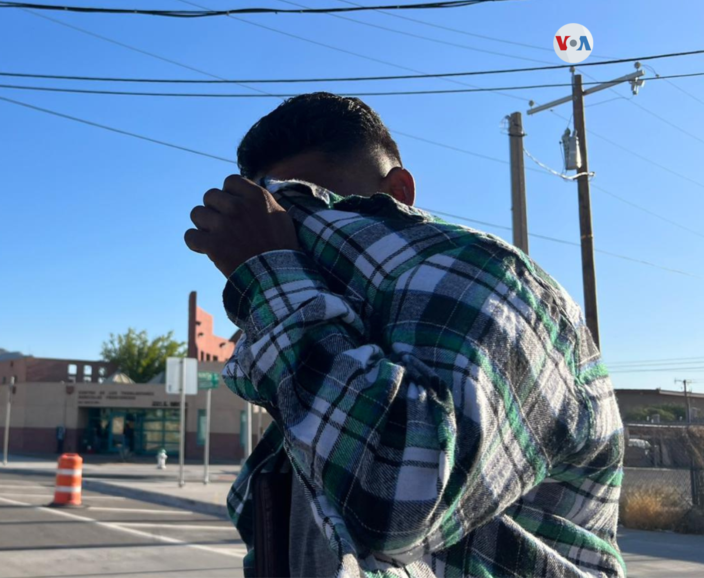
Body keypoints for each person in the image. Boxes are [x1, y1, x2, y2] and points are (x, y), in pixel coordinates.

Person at [184, 93, 624, 578]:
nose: (312, 239)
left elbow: (396, 502)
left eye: (327, 215)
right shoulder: (340, 337)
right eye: (286, 224)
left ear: (399, 191)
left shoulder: (490, 282)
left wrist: (268, 272)